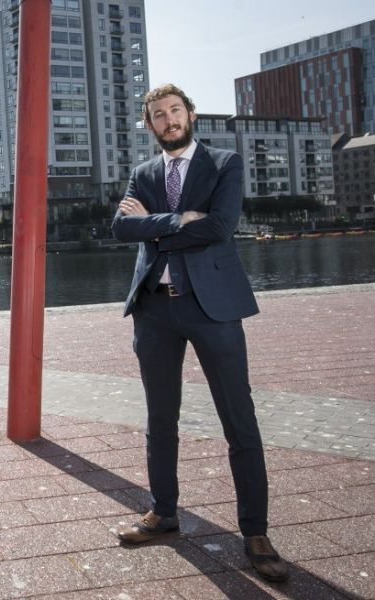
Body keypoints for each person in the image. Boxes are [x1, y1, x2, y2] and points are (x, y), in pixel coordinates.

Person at [112, 84, 288, 583]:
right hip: (153, 311)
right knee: (160, 420)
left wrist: (153, 224)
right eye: (158, 115)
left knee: (239, 419)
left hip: (213, 307)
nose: (168, 120)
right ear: (149, 125)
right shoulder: (143, 173)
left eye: (175, 111)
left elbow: (220, 227)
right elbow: (121, 230)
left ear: (190, 115)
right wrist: (176, 219)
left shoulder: (225, 163)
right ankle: (163, 512)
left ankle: (255, 531)